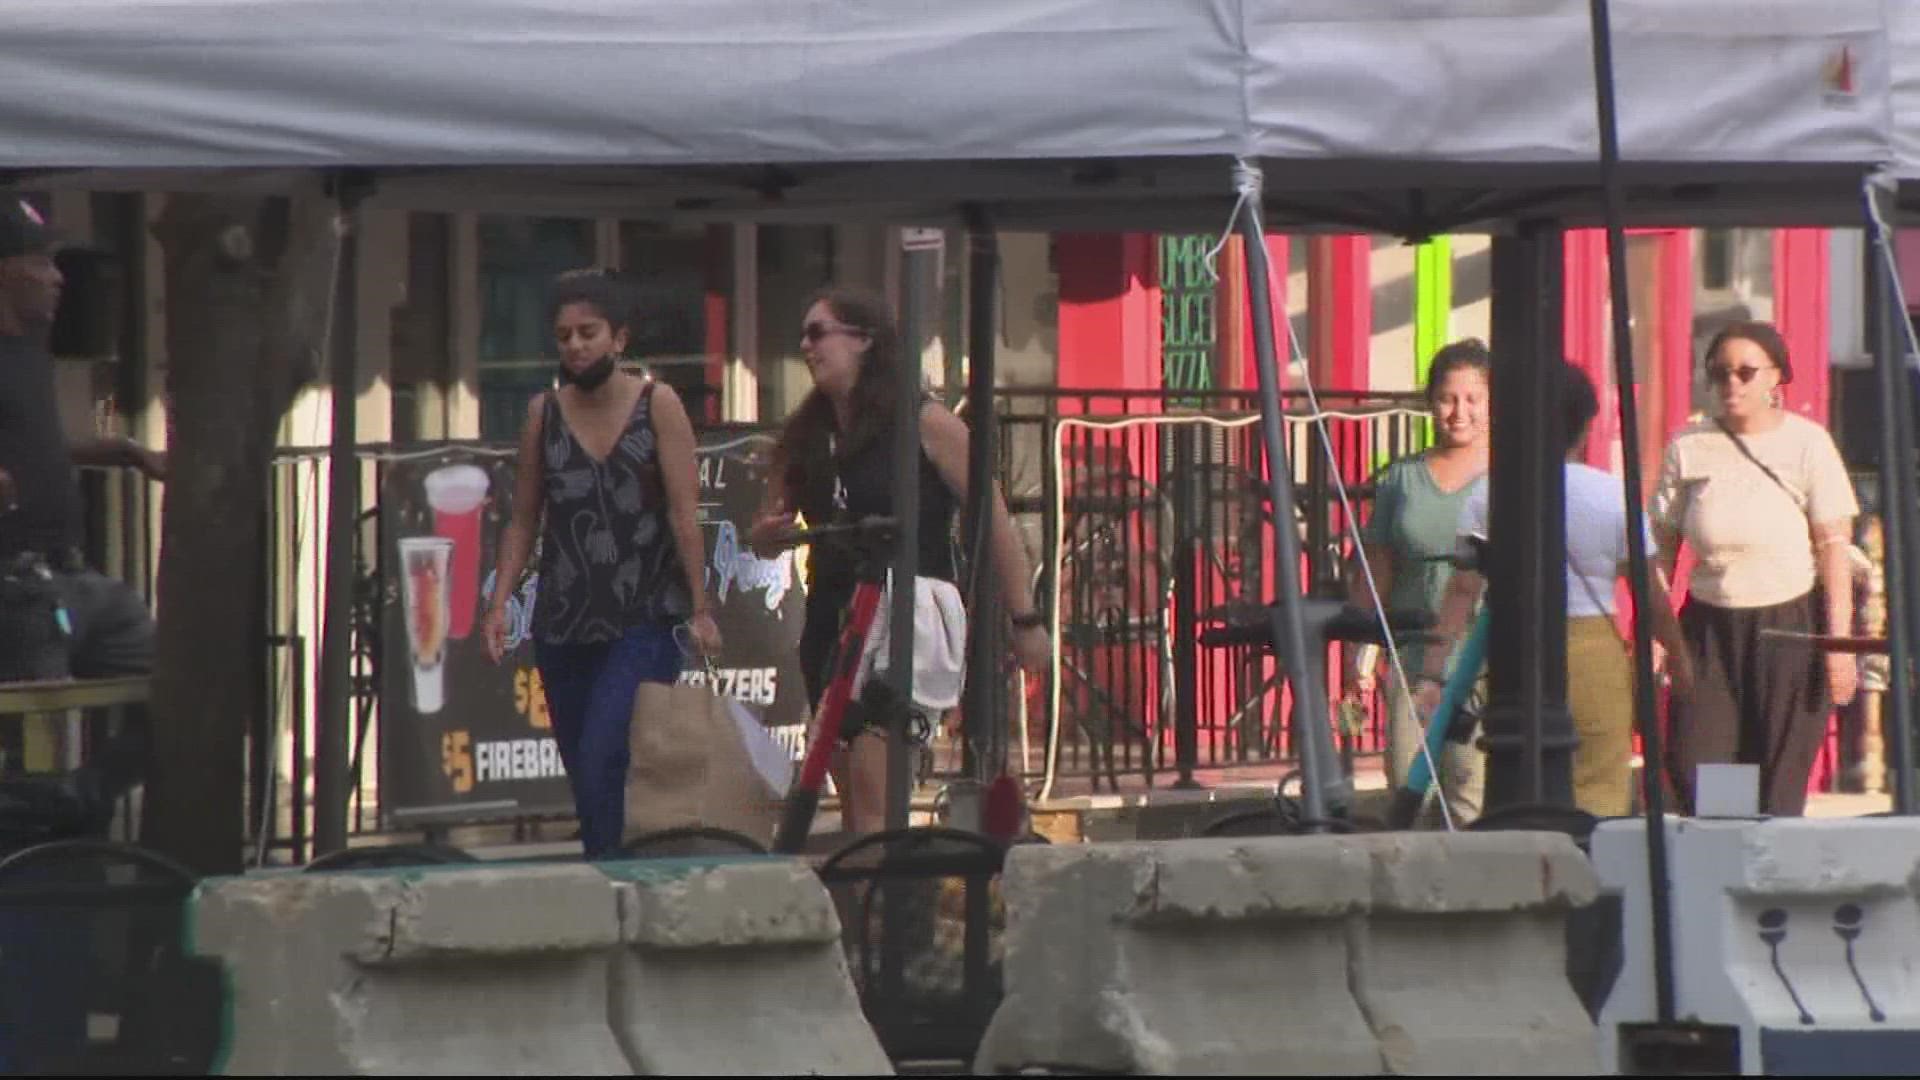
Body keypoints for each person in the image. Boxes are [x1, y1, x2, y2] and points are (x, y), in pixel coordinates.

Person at [749, 285, 1049, 837]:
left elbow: (995, 519)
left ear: (863, 340)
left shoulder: (924, 423)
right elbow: (770, 530)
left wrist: (1024, 619)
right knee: (848, 803)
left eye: (819, 333)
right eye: (802, 336)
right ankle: (872, 913)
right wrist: (770, 536)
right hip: (833, 619)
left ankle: (892, 913)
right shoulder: (808, 435)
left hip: (906, 618)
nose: (806, 347)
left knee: (873, 797)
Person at [482, 269, 720, 859]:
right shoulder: (544, 413)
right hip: (564, 620)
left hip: (644, 614)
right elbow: (524, 517)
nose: (575, 346)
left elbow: (686, 514)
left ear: (619, 338)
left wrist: (702, 606)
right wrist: (499, 603)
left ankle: (620, 880)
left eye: (588, 332)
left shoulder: (656, 403)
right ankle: (608, 885)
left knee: (605, 753)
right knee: (586, 779)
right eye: (564, 336)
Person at [1415, 361, 1694, 818]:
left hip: (1516, 650)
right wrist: (1681, 662)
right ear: (1585, 426)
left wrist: (1432, 672)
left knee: (1518, 777)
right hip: (1594, 651)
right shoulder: (1611, 495)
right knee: (1599, 783)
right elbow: (1651, 599)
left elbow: (1462, 592)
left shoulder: (1490, 496)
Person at [1649, 321, 1859, 817]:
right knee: (1700, 771)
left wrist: (1839, 646)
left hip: (1789, 625)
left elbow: (1833, 546)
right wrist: (1660, 634)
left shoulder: (1808, 444)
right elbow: (1658, 549)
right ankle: (1709, 884)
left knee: (1777, 782)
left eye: (1745, 372)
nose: (1731, 385)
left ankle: (1773, 885)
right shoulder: (1689, 445)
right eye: (1719, 373)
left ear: (1776, 378)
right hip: (1708, 628)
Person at [1343, 339, 1491, 825]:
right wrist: (1358, 658)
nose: (1458, 412)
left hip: (1483, 661)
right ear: (1430, 402)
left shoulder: (1507, 477)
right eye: (1448, 399)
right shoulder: (1401, 481)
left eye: (1472, 399)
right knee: (1409, 790)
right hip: (1409, 657)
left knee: (1468, 795)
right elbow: (1377, 569)